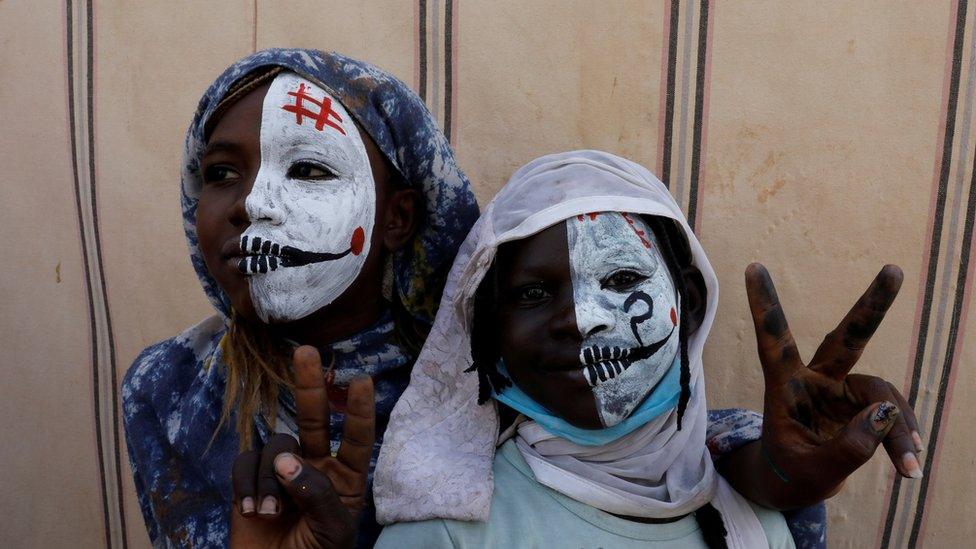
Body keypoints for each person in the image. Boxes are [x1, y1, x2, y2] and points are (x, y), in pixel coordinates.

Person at [228, 151, 922, 548]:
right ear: (486, 335)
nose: (585, 321)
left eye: (621, 278)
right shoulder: (448, 534)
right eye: (533, 295)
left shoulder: (755, 519)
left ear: (689, 305)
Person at [121, 48, 480, 548]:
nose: (252, 203)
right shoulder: (168, 388)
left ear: (396, 218)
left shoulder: (478, 392)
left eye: (310, 171)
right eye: (222, 174)